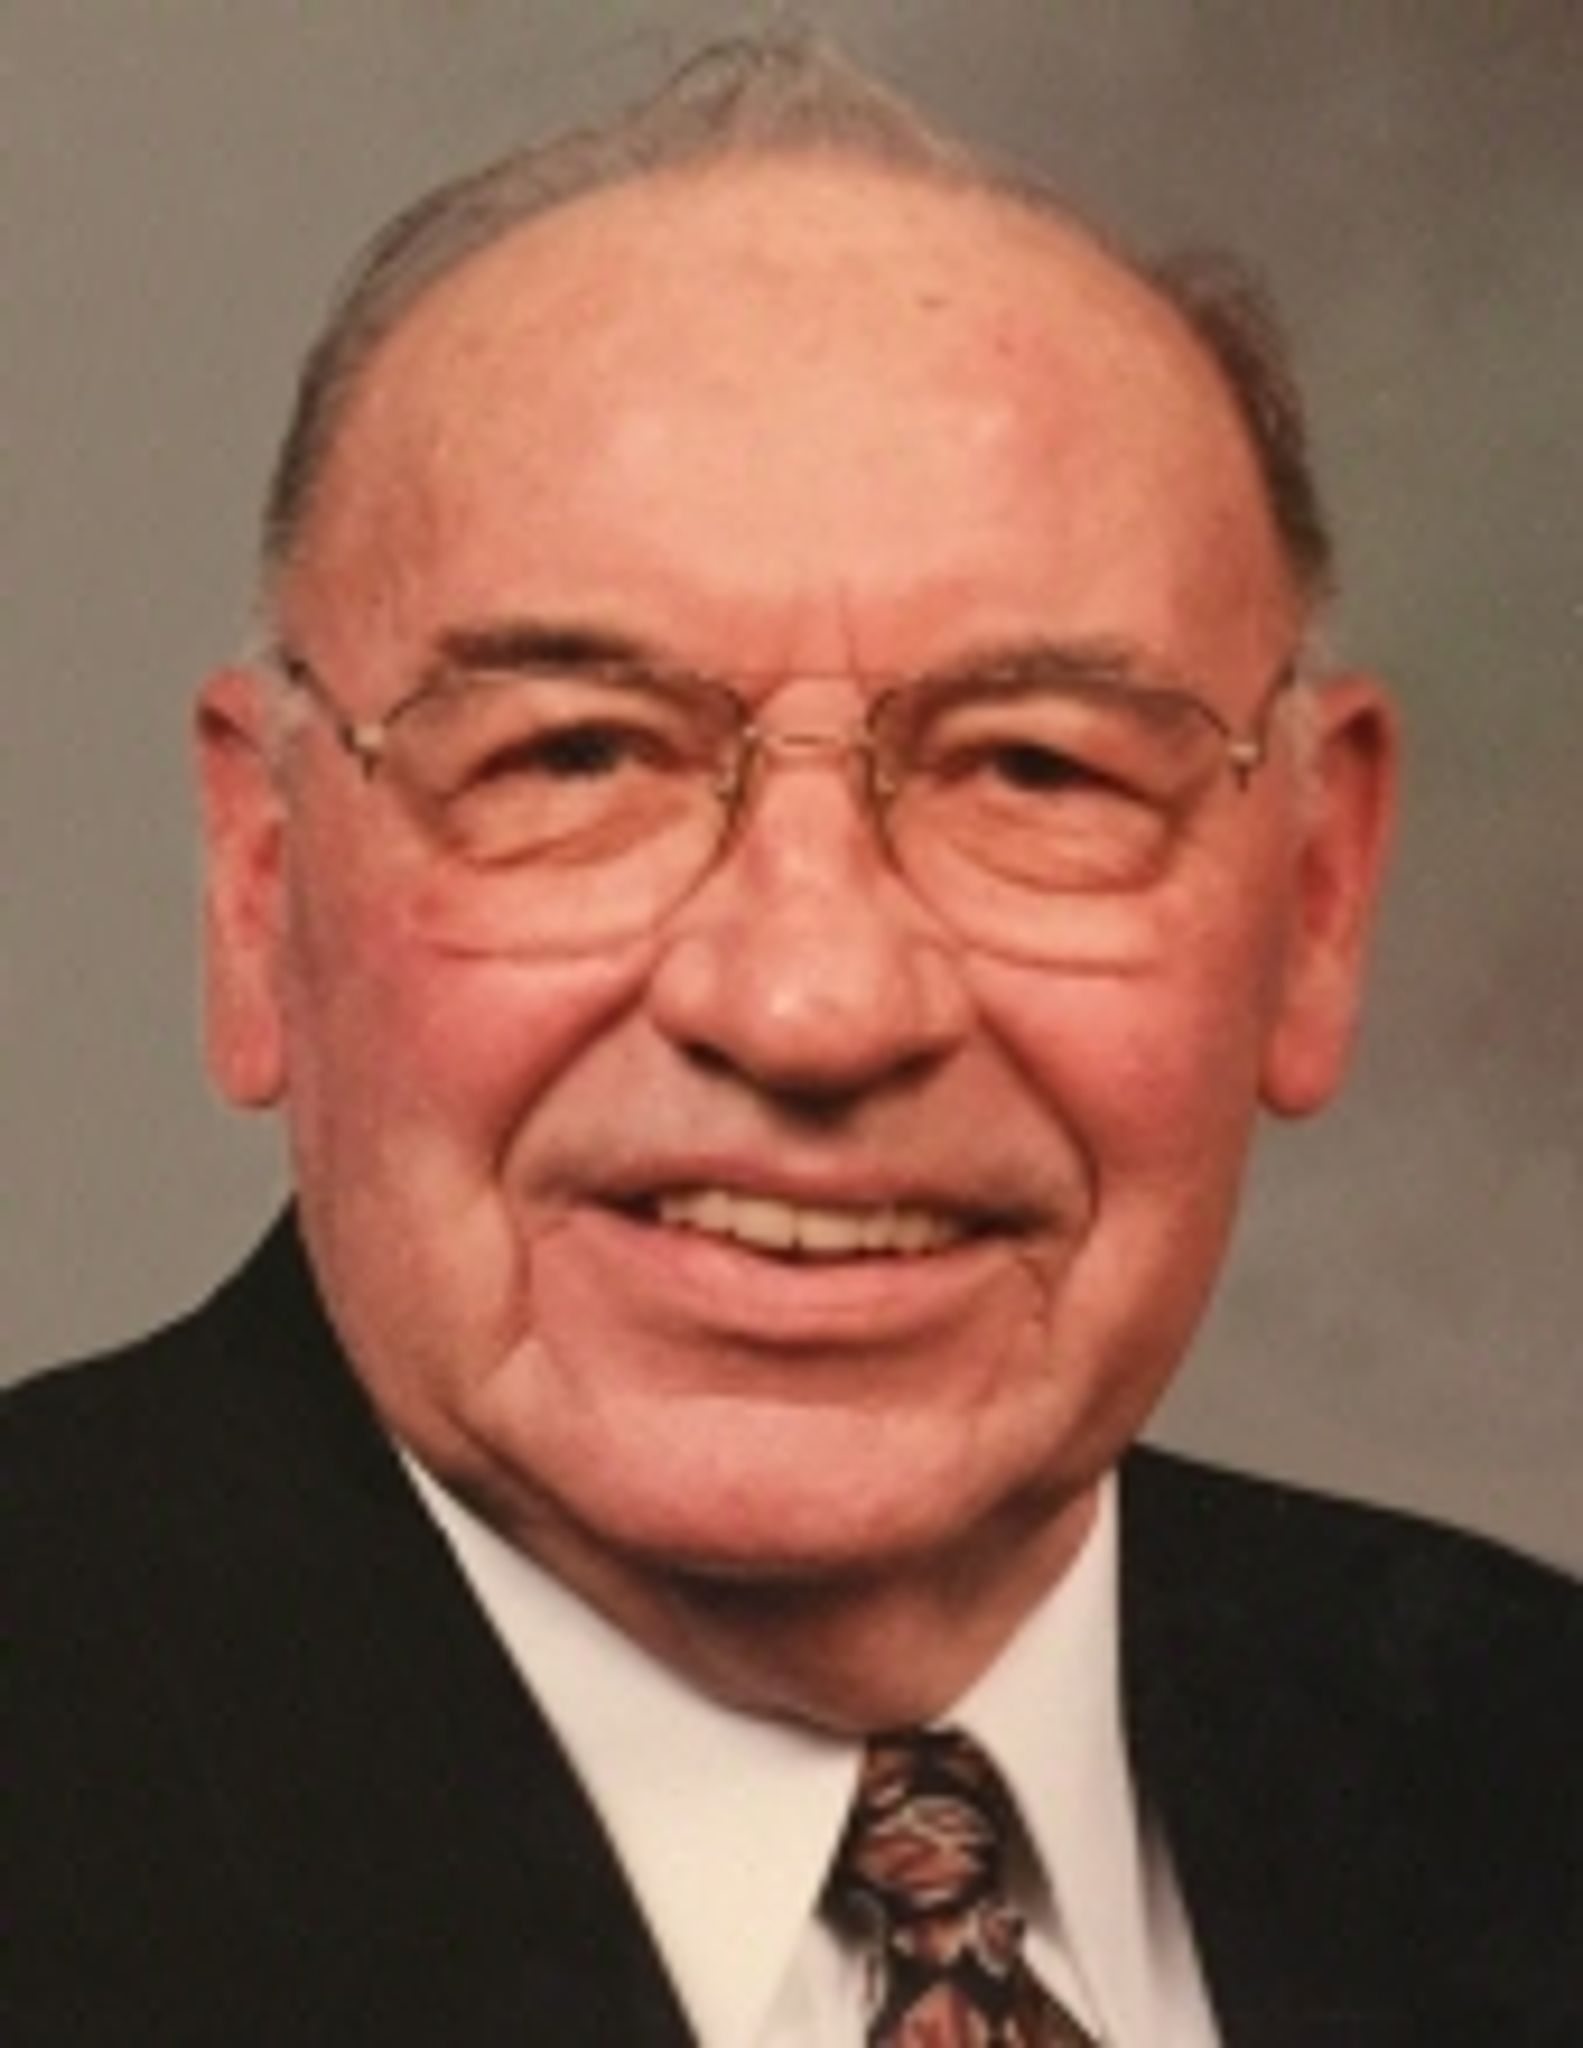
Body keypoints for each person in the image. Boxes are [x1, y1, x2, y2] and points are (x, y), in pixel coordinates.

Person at [8, 37, 1578, 2046]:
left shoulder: (1525, 1759)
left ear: (1320, 897)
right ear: (259, 883)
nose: (812, 1004)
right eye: (579, 756)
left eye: (1034, 769)